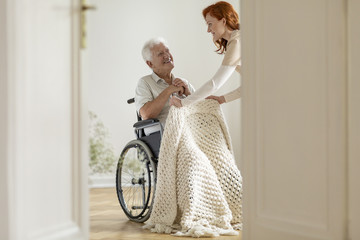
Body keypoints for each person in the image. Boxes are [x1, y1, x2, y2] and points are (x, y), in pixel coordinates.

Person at [170, 1, 241, 107]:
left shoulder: (236, 41)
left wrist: (183, 102)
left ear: (223, 21)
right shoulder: (238, 39)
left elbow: (215, 83)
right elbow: (253, 84)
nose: (208, 30)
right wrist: (223, 99)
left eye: (210, 24)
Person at [135, 37, 195, 134]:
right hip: (165, 132)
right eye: (160, 54)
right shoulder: (144, 82)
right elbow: (146, 114)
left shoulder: (183, 83)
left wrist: (188, 93)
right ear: (150, 64)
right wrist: (169, 90)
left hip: (189, 127)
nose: (167, 55)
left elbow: (201, 109)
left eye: (167, 51)